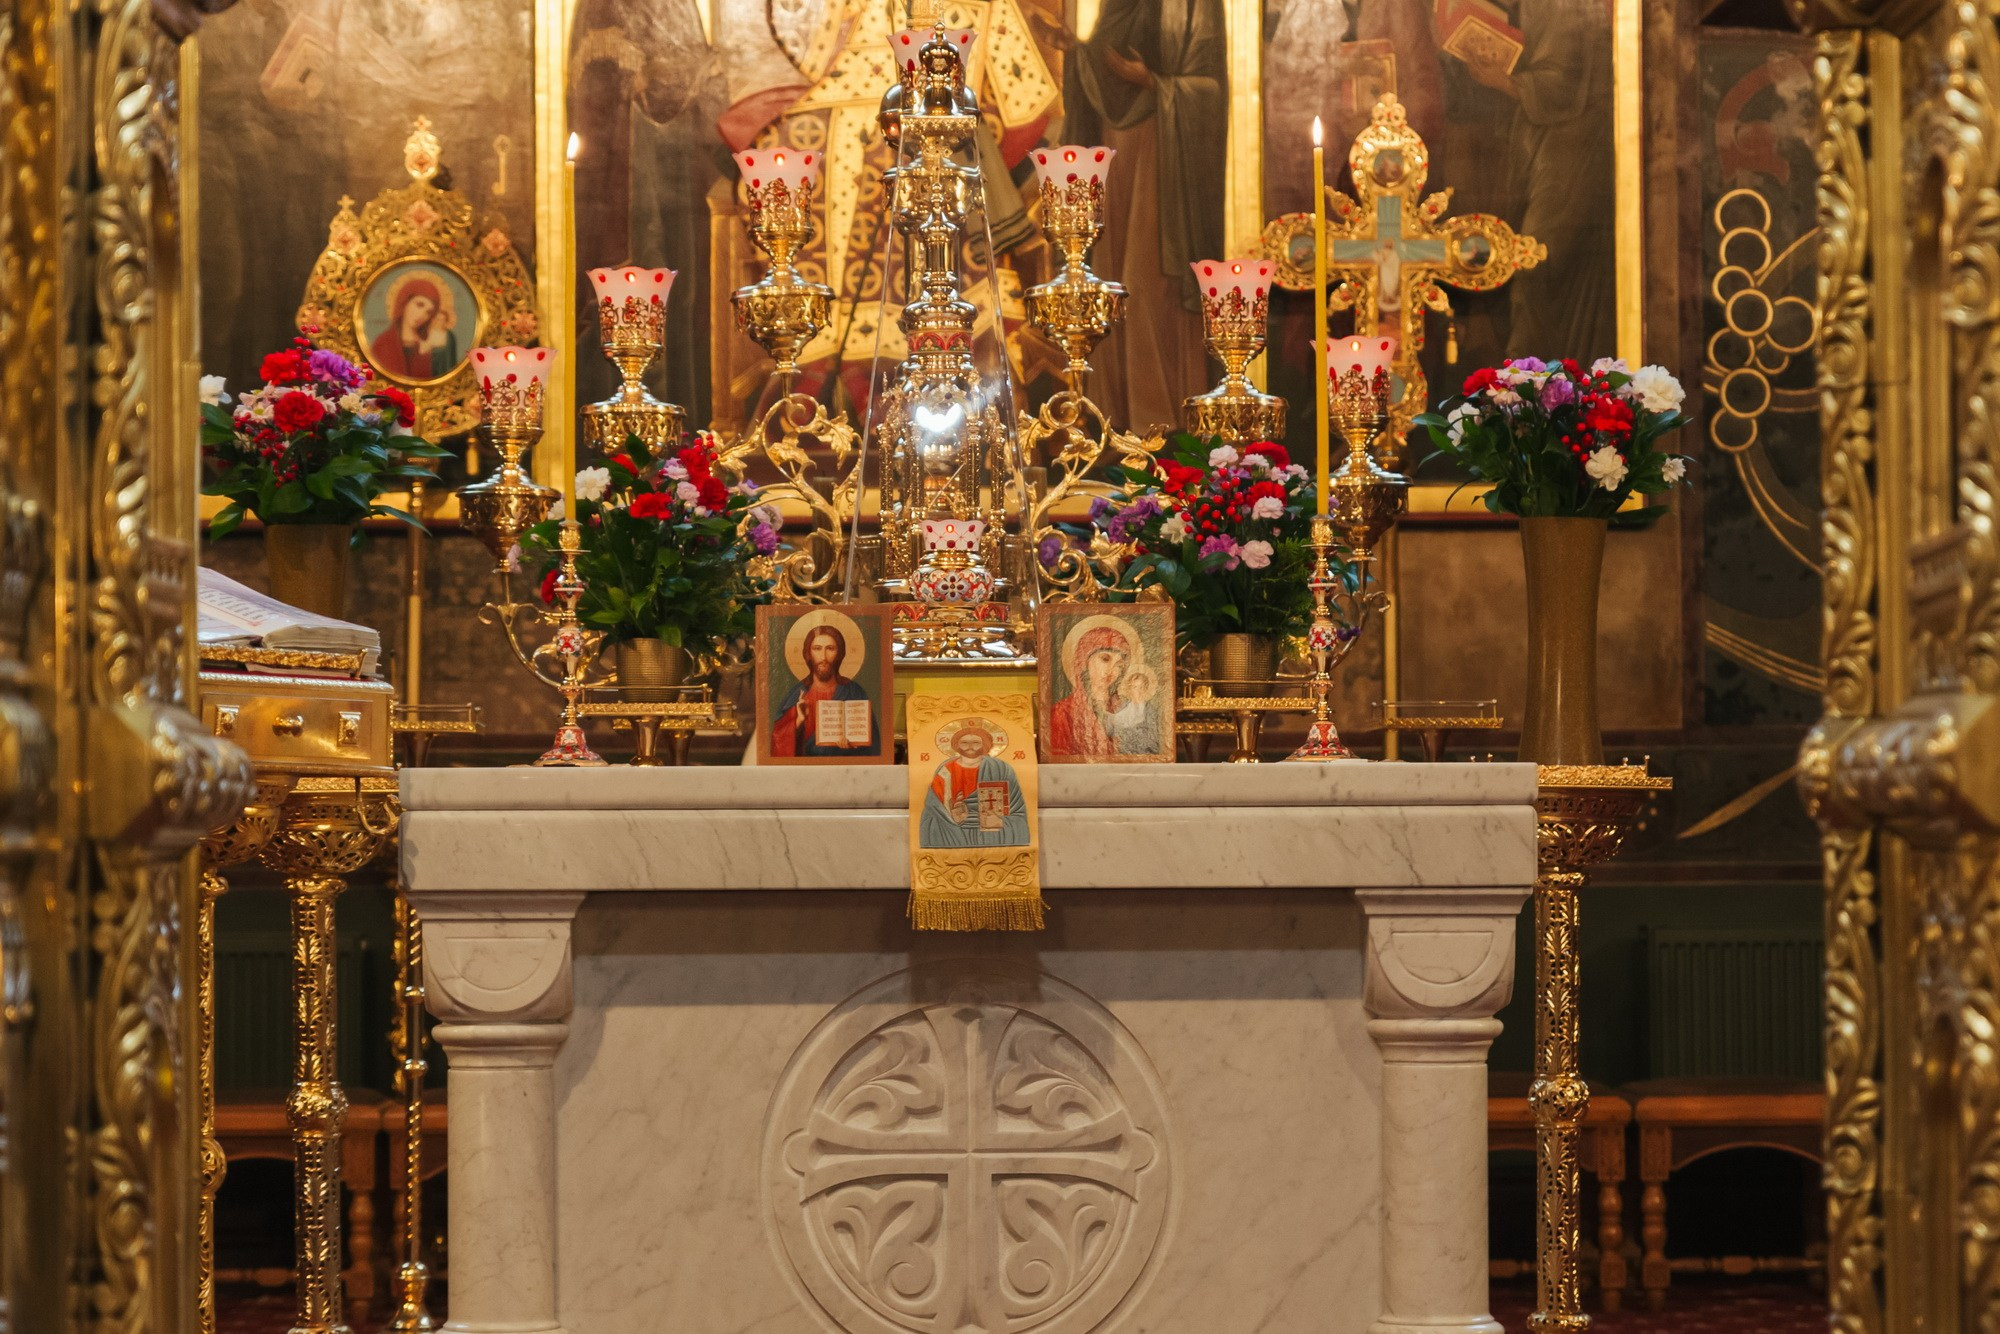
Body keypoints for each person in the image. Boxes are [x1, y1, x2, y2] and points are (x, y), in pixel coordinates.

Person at [1049, 621, 1160, 758]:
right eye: (1105, 659)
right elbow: (1058, 764)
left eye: (1119, 665)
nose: (1111, 671)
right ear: (1084, 659)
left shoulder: (1127, 707)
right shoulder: (1062, 712)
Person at [770, 620, 878, 756]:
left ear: (839, 653)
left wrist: (852, 745)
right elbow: (776, 742)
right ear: (808, 653)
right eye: (817, 648)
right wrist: (799, 721)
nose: (823, 657)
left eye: (830, 649)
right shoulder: (797, 694)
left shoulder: (854, 691)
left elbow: (873, 746)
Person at [919, 723, 1030, 848]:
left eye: (976, 743)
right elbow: (933, 812)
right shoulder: (945, 772)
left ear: (985, 745)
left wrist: (1000, 821)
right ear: (956, 745)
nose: (970, 747)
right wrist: (953, 819)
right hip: (954, 836)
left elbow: (1018, 812)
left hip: (992, 836)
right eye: (964, 743)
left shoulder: (1001, 769)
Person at [370, 273, 460, 380]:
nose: (422, 315)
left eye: (429, 312)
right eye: (419, 305)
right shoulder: (383, 344)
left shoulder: (436, 342)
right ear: (404, 302)